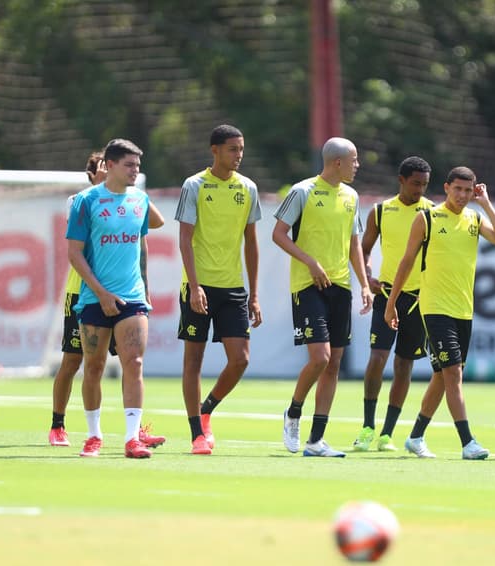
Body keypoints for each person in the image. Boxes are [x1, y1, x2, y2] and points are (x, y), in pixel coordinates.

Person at [385, 166, 495, 460]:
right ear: (446, 188)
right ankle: (468, 442)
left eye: (469, 191)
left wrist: (486, 203)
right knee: (453, 373)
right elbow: (406, 263)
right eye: (458, 189)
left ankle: (416, 436)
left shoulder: (474, 218)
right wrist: (391, 303)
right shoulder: (427, 218)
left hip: (463, 309)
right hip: (434, 308)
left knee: (443, 377)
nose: (463, 195)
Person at [49, 152, 166, 448]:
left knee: (132, 362)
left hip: (127, 295)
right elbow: (76, 249)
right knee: (78, 361)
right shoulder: (82, 201)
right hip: (84, 292)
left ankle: (133, 432)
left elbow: (147, 234)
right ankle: (59, 423)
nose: (132, 171)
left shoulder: (132, 200)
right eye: (103, 169)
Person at [274, 137, 373, 457]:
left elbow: (354, 244)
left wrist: (365, 285)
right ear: (337, 162)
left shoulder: (352, 196)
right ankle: (292, 413)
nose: (358, 165)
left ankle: (316, 441)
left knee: (334, 364)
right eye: (354, 160)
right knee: (321, 358)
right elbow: (278, 234)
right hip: (307, 285)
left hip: (340, 286)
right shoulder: (303, 191)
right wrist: (310, 262)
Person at [175, 124, 263, 455]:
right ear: (215, 150)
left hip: (233, 288)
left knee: (240, 359)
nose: (238, 155)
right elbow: (184, 239)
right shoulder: (195, 186)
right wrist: (194, 286)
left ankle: (207, 408)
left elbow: (251, 244)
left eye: (241, 149)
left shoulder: (248, 188)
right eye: (232, 149)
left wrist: (254, 294)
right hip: (199, 287)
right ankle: (197, 433)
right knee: (193, 362)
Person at [352, 156, 433, 452]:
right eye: (415, 184)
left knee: (404, 364)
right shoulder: (381, 211)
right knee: (377, 360)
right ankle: (367, 426)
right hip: (388, 295)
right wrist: (368, 276)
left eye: (424, 185)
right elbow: (363, 251)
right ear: (401, 180)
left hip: (418, 299)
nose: (420, 190)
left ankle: (387, 433)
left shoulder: (432, 213)